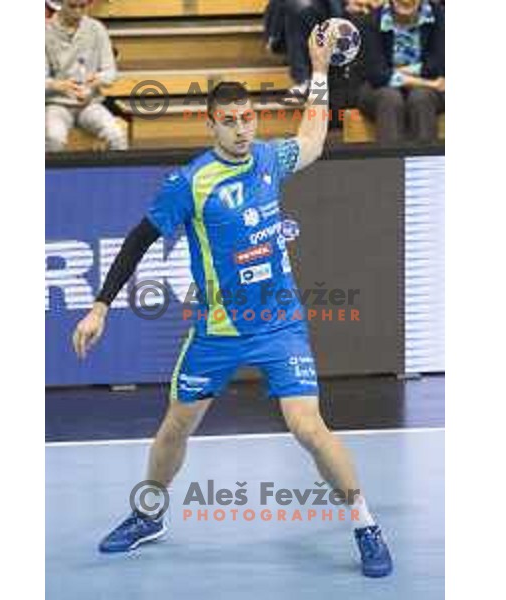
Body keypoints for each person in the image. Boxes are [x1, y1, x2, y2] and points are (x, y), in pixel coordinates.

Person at [72, 25, 392, 578]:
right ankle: (149, 514)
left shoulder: (269, 159)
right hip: (216, 331)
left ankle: (365, 523)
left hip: (278, 325)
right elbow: (138, 239)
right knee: (175, 426)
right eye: (231, 121)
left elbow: (314, 139)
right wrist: (100, 305)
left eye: (249, 119)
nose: (243, 130)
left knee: (308, 427)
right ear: (211, 123)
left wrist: (318, 72)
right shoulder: (190, 184)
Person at [358, 0, 445, 143]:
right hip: (380, 89)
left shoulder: (441, 16)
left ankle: (422, 161)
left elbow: (437, 66)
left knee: (421, 97)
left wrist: (395, 71)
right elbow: (377, 75)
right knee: (389, 98)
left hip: (431, 89)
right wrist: (428, 83)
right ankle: (389, 163)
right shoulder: (370, 21)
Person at [45, 0, 127, 151]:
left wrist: (97, 80)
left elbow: (110, 72)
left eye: (82, 6)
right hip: (56, 104)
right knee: (53, 138)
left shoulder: (96, 29)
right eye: (72, 6)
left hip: (90, 103)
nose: (78, 11)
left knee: (117, 135)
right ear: (60, 5)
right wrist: (58, 85)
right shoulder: (44, 32)